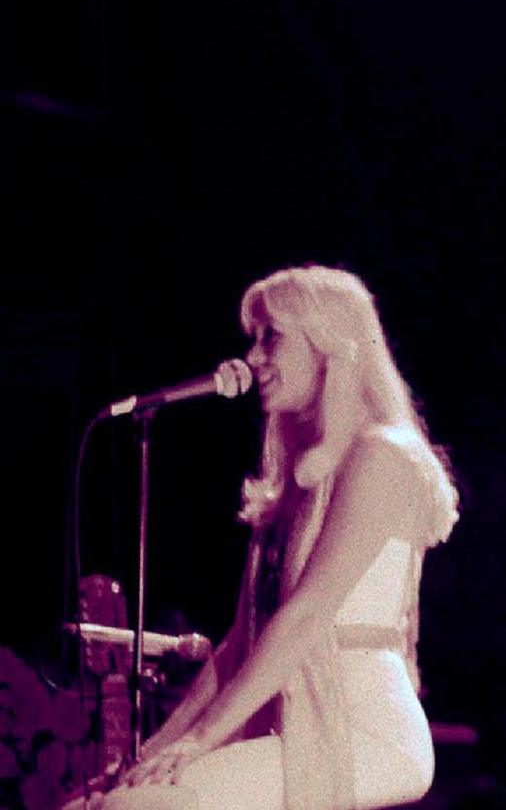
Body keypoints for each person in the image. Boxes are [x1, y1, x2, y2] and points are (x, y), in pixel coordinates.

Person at [90, 267, 459, 809]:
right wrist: (155, 752)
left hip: (369, 733)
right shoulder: (299, 480)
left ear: (329, 344)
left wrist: (201, 740)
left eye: (272, 337)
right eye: (253, 339)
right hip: (299, 728)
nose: (254, 357)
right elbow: (239, 646)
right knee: (108, 801)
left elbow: (309, 613)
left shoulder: (383, 455)